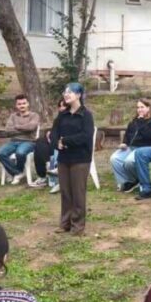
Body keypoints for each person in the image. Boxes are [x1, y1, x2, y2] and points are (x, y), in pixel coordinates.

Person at [50, 83, 95, 235]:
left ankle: (78, 226)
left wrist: (65, 141)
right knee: (65, 192)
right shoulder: (62, 115)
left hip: (80, 158)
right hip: (64, 158)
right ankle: (65, 223)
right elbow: (54, 132)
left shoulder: (86, 115)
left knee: (78, 193)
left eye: (70, 92)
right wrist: (57, 143)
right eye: (65, 91)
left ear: (79, 95)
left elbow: (86, 136)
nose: (66, 94)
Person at [111, 99, 151, 192]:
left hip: (146, 148)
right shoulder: (134, 121)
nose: (139, 110)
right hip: (131, 147)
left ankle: (137, 180)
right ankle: (128, 181)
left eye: (142, 107)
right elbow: (128, 134)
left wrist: (141, 121)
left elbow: (150, 136)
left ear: (148, 108)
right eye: (138, 107)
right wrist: (124, 143)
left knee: (129, 161)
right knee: (114, 158)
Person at [0, 94, 41, 185]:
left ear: (28, 104)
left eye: (24, 103)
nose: (22, 105)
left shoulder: (34, 115)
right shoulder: (13, 116)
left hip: (29, 142)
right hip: (13, 141)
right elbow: (8, 130)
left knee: (20, 153)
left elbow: (31, 127)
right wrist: (25, 130)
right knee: (0, 153)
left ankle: (17, 173)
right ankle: (18, 173)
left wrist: (17, 127)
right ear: (16, 105)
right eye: (19, 104)